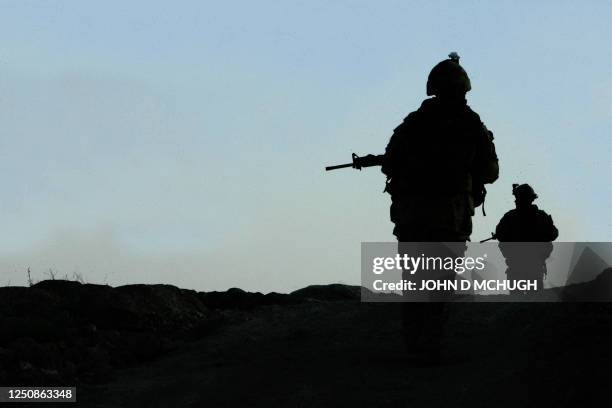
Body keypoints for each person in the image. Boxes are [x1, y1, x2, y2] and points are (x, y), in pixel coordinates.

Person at [379, 52, 499, 362]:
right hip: (449, 218)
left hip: (414, 218)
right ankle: (430, 346)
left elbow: (388, 162)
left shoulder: (414, 122)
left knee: (415, 282)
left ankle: (415, 345)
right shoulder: (471, 124)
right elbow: (491, 172)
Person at [495, 184, 559, 293]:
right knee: (534, 301)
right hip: (532, 266)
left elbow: (500, 235)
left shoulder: (509, 217)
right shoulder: (541, 216)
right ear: (532, 199)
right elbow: (553, 234)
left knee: (518, 302)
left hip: (518, 266)